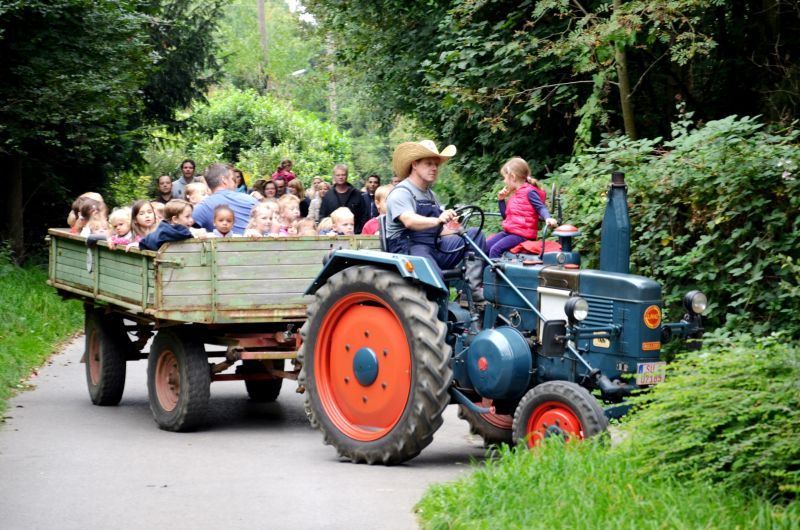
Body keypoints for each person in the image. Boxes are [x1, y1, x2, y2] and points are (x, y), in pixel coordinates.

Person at [385, 139, 487, 301]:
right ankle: (438, 320)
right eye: (429, 163)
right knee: (433, 277)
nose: (434, 168)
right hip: (408, 248)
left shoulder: (431, 195)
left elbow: (441, 229)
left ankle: (472, 294)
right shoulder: (401, 192)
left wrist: (456, 228)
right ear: (415, 164)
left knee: (475, 235)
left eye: (436, 165)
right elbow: (409, 221)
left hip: (434, 246)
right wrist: (438, 220)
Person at [487, 157, 558, 259]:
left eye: (505, 177)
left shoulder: (529, 192)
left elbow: (540, 207)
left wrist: (548, 217)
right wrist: (501, 200)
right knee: (484, 247)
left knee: (495, 250)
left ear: (513, 176)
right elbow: (505, 217)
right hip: (510, 232)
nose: (504, 181)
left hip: (522, 236)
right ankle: (479, 273)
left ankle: (494, 274)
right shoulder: (515, 193)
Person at [192, 163, 258, 235]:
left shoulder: (203, 207)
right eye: (233, 179)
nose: (236, 184)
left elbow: (183, 226)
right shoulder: (250, 200)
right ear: (224, 180)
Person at [138, 199, 206, 250]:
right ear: (175, 219)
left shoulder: (162, 229)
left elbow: (144, 241)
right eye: (187, 216)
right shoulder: (173, 233)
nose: (191, 220)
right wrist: (196, 235)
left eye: (191, 216)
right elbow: (183, 234)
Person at [318, 164, 368, 233]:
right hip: (333, 236)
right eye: (338, 175)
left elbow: (364, 216)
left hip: (354, 235)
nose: (340, 177)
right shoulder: (328, 195)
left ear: (347, 175)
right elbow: (322, 216)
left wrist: (358, 232)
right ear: (334, 176)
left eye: (343, 175)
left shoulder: (357, 194)